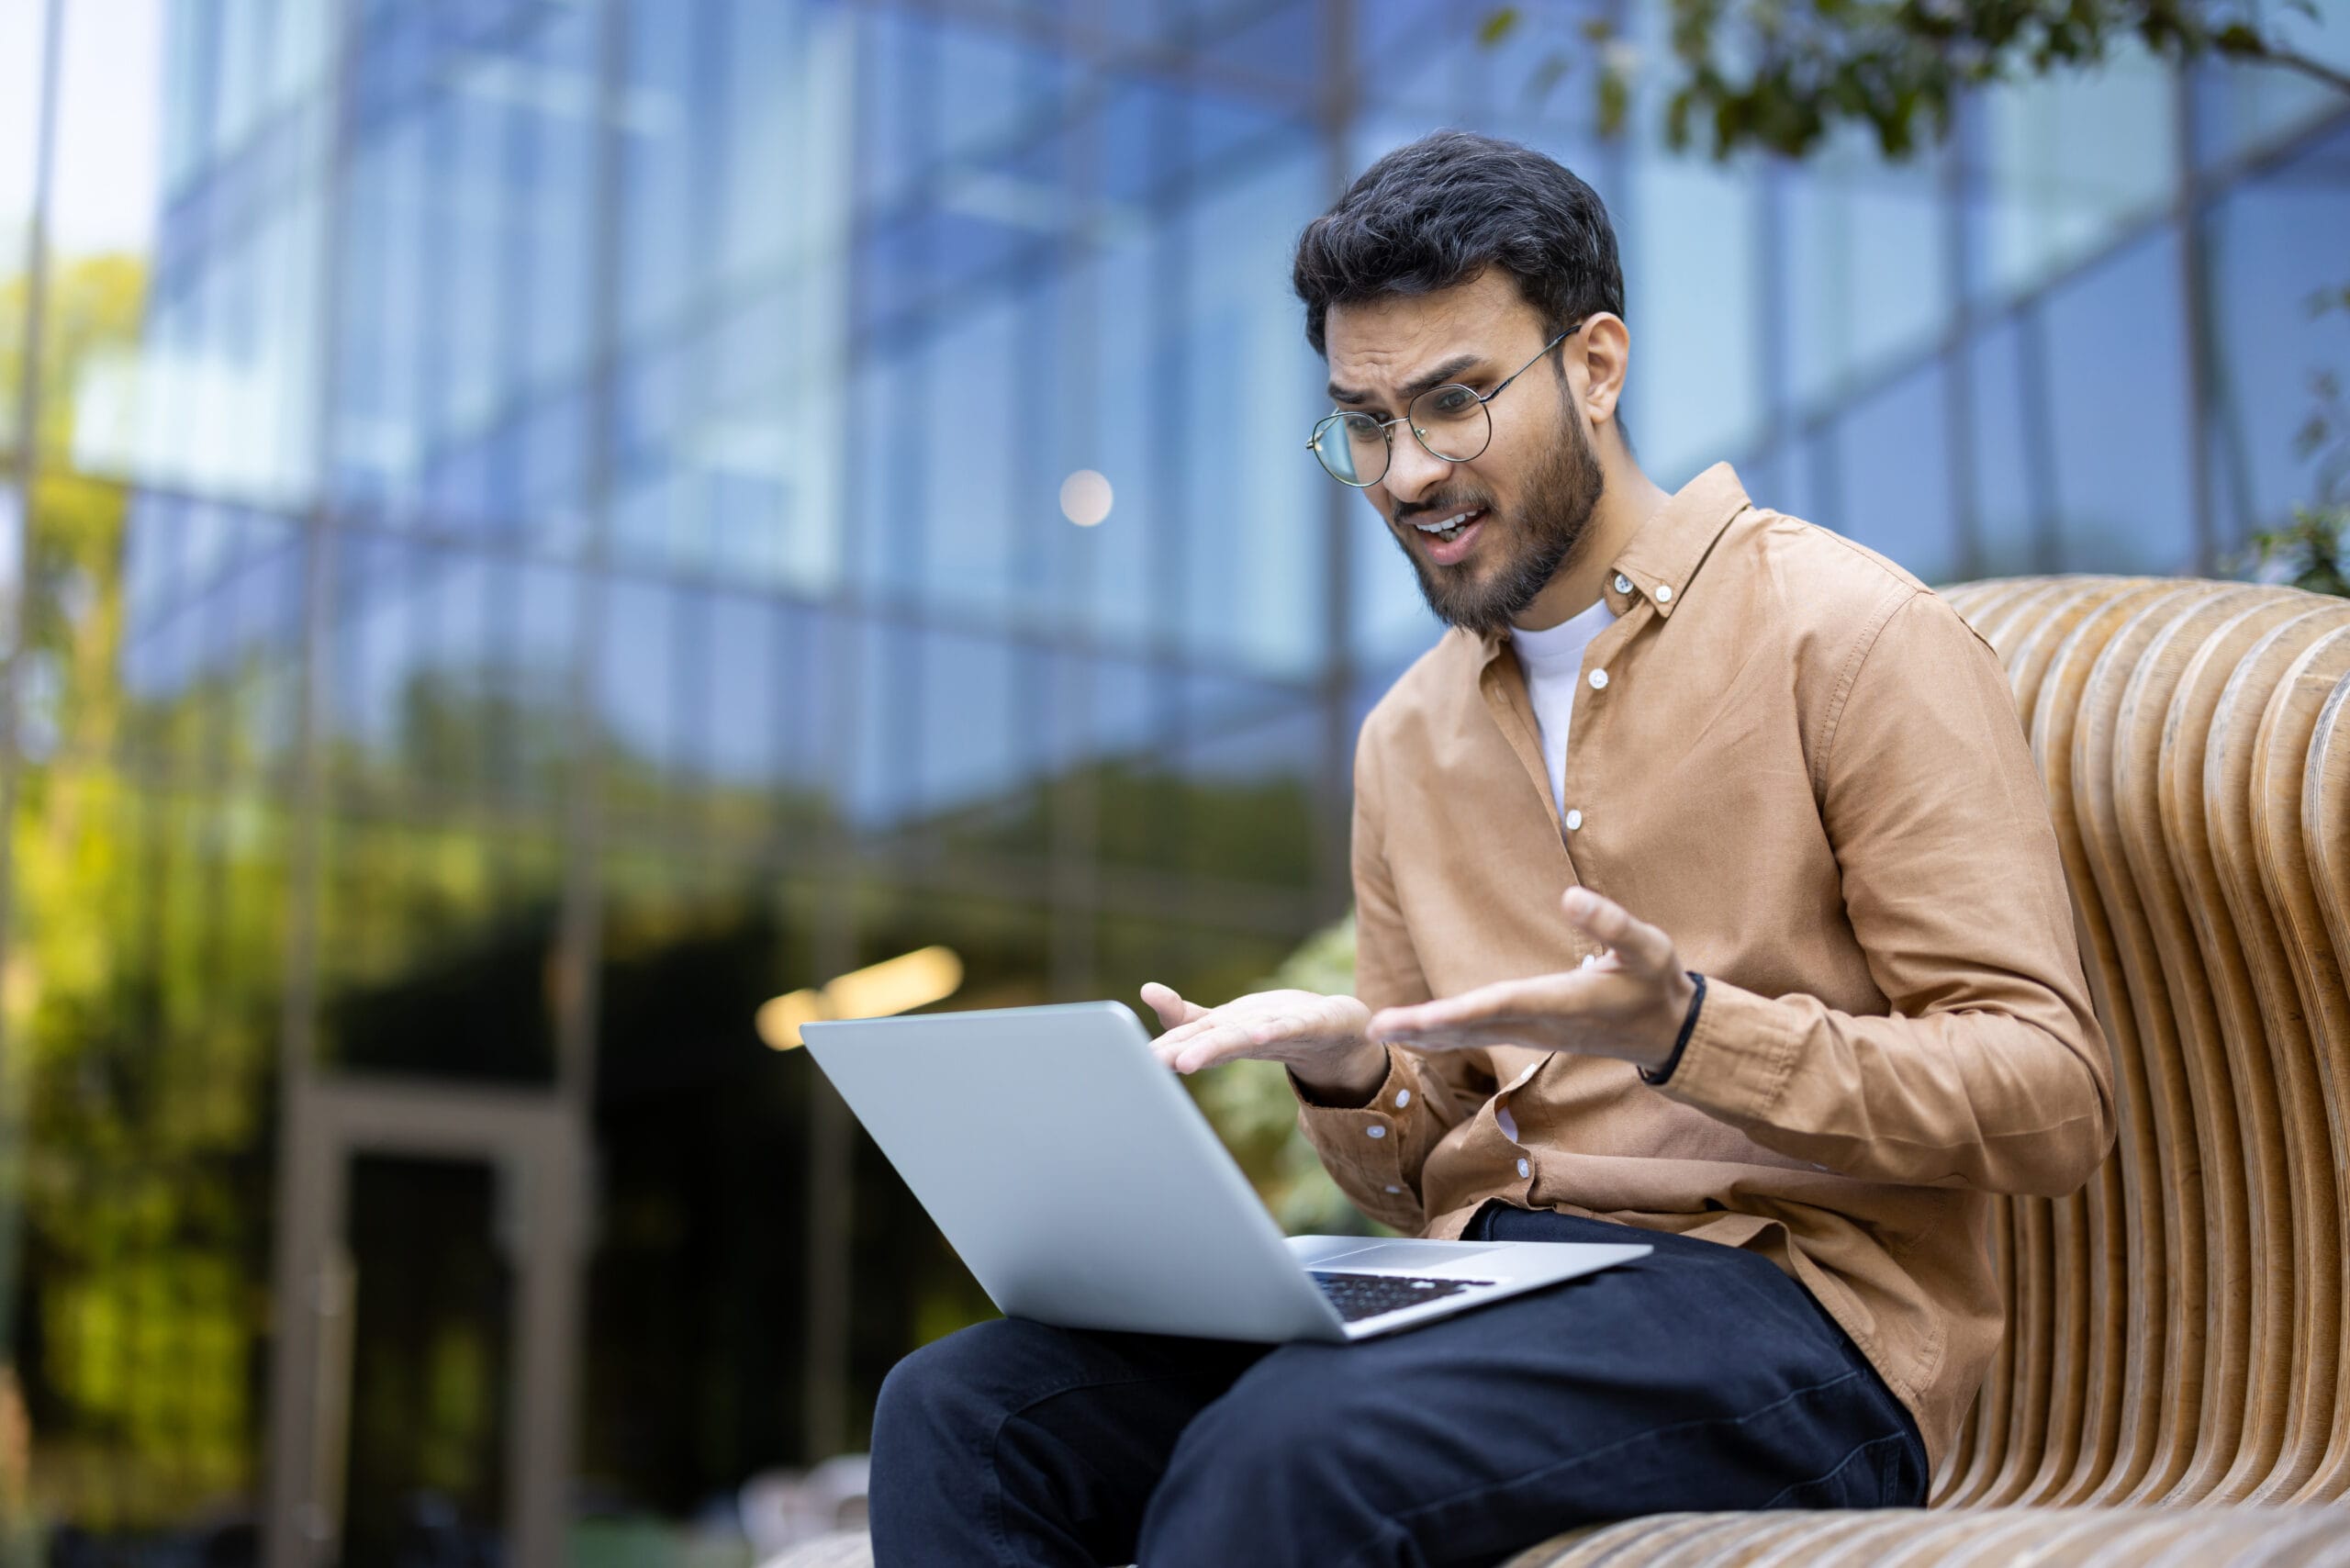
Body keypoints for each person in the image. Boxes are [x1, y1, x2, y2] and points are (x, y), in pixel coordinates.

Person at [868, 129, 2114, 1568]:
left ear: (1595, 365)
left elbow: (2050, 1096)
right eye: (1366, 422)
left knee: (1298, 1446)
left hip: (1787, 1318)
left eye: (1454, 404)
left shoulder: (1852, 638)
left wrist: (1692, 1034)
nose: (1406, 474)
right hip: (1477, 1291)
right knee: (967, 1409)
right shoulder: (1410, 739)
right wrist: (1351, 1075)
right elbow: (1413, 1176)